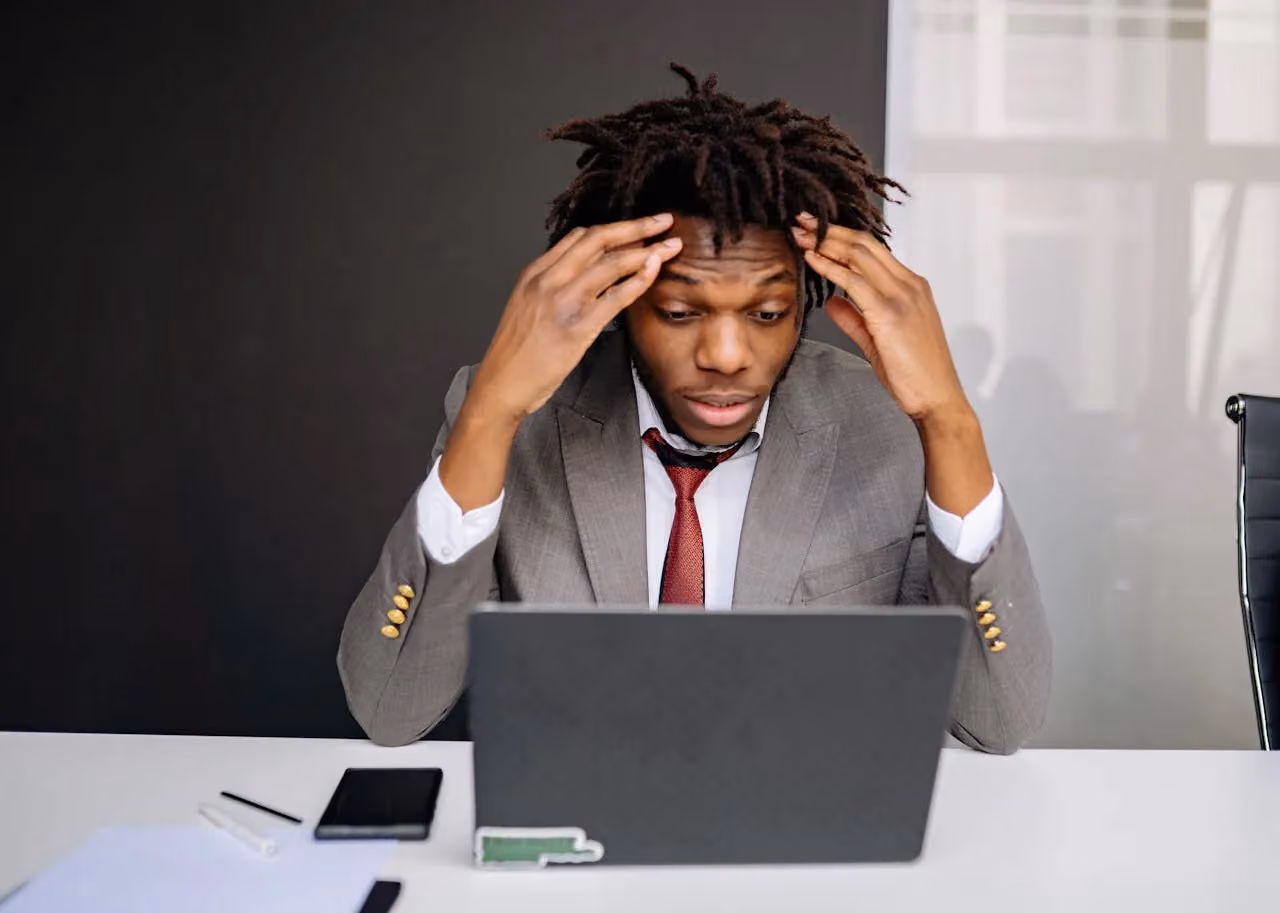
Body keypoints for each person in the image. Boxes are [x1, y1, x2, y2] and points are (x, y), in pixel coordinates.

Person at [338, 65, 1051, 751]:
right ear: (622, 297)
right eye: (680, 312)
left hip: (799, 820)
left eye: (767, 313)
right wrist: (490, 415)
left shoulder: (884, 420)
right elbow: (391, 708)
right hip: (583, 819)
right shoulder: (514, 416)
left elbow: (999, 720)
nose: (727, 355)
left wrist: (949, 422)